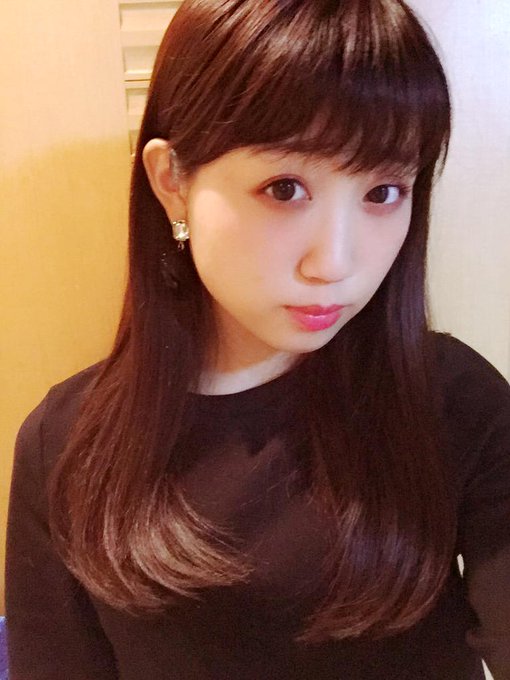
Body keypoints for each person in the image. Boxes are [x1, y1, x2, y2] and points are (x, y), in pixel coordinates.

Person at [5, 0, 510, 678]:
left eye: (384, 192)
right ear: (172, 182)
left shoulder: (454, 401)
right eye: (284, 188)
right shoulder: (67, 443)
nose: (334, 263)